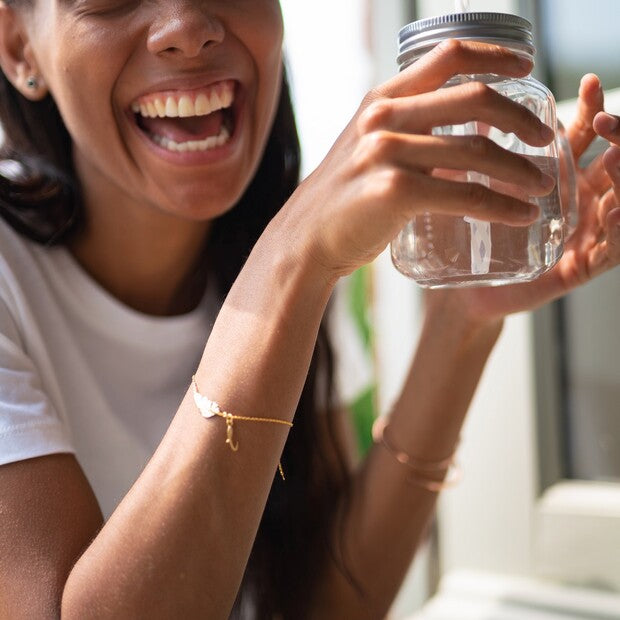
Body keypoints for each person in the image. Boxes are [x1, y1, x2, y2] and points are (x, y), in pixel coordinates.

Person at [0, 2, 618, 618]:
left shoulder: (274, 250)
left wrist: (464, 320)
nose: (186, 29)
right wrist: (293, 258)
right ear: (18, 46)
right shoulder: (288, 255)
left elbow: (327, 604)